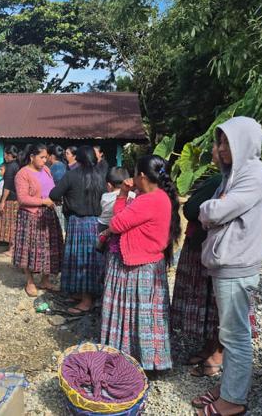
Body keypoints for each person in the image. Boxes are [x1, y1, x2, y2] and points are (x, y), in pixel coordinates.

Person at [192, 117, 262, 416]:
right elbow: (216, 210)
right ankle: (229, 387)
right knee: (229, 331)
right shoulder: (236, 175)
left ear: (244, 142)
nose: (221, 148)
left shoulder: (255, 176)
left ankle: (233, 401)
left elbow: (215, 209)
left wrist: (209, 209)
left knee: (235, 335)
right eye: (220, 141)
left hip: (236, 264)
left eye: (226, 142)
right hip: (229, 262)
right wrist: (214, 209)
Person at [100, 155, 180, 371]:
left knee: (130, 315)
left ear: (142, 176)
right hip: (150, 263)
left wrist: (123, 194)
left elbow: (116, 224)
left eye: (135, 174)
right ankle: (149, 360)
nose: (132, 178)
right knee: (146, 317)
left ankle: (127, 359)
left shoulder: (147, 200)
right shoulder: (160, 196)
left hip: (137, 266)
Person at [170, 143, 225, 375]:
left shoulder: (221, 181)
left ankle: (218, 353)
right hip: (205, 245)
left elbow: (191, 210)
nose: (214, 149)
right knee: (208, 300)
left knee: (215, 301)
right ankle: (210, 346)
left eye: (220, 144)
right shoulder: (219, 180)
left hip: (212, 249)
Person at [48, 145, 104, 315]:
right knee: (91, 260)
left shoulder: (72, 175)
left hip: (78, 223)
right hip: (96, 223)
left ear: (77, 158)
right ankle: (83, 294)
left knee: (80, 260)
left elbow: (54, 194)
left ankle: (86, 301)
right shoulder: (100, 176)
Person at [12, 144, 63, 297]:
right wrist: (42, 202)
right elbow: (22, 198)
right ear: (32, 157)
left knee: (49, 248)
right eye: (41, 157)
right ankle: (30, 282)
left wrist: (55, 199)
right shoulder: (22, 174)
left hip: (48, 214)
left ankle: (45, 280)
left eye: (46, 157)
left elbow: (52, 189)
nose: (44, 160)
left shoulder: (46, 170)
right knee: (29, 248)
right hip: (31, 216)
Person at [0, 146, 21, 255]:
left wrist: (2, 201)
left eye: (5, 154)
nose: (4, 157)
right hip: (15, 198)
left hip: (11, 199)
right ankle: (11, 247)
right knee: (12, 223)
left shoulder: (11, 167)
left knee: (10, 223)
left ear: (9, 154)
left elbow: (8, 186)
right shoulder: (16, 165)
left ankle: (12, 249)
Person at [98, 167, 135, 233]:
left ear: (109, 185)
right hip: (124, 226)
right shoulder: (133, 195)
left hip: (104, 225)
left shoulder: (105, 197)